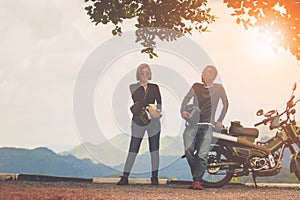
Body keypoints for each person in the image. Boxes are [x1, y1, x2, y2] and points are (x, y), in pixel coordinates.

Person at [180, 65, 229, 190]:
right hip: (192, 124)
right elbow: (186, 98)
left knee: (202, 155)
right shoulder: (196, 86)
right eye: (202, 72)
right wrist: (183, 110)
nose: (202, 74)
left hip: (207, 125)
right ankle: (197, 176)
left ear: (212, 76)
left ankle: (197, 181)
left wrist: (220, 120)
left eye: (205, 73)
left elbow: (225, 104)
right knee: (188, 151)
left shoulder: (219, 88)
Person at [117, 63, 162, 185]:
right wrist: (149, 108)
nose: (145, 74)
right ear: (138, 74)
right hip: (138, 120)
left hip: (153, 121)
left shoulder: (155, 87)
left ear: (150, 74)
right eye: (142, 72)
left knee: (154, 149)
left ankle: (154, 177)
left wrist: (158, 112)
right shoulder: (133, 86)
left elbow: (159, 101)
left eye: (147, 72)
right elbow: (139, 100)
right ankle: (125, 177)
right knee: (133, 148)